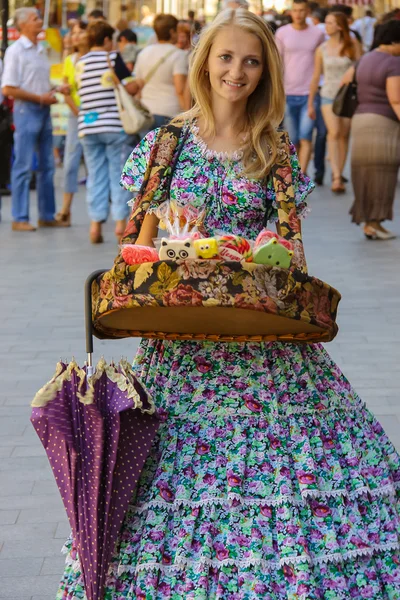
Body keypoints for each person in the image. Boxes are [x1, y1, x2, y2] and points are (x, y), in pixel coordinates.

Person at [57, 9, 400, 599]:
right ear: (204, 60)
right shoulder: (165, 145)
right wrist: (173, 244)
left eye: (250, 60)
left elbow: (291, 255)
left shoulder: (275, 150)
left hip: (262, 347)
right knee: (165, 488)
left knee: (292, 487)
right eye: (225, 57)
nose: (236, 71)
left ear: (264, 69)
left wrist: (258, 252)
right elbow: (136, 253)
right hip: (180, 348)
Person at [1, 8, 67, 231]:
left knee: (47, 165)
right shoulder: (16, 51)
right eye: (35, 18)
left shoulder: (40, 49)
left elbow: (35, 82)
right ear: (22, 24)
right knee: (23, 164)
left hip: (42, 109)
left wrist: (54, 89)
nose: (40, 21)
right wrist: (40, 97)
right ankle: (20, 217)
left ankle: (46, 214)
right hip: (26, 111)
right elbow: (9, 88)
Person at [77, 20, 141, 243]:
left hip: (88, 126)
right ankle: (120, 225)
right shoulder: (113, 58)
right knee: (118, 174)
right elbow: (130, 86)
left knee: (95, 175)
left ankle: (95, 226)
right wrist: (138, 83)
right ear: (106, 40)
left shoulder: (80, 62)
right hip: (114, 126)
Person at [346, 19, 400, 240]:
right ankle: (374, 223)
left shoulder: (364, 59)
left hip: (360, 121)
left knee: (364, 174)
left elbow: (344, 82)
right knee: (382, 176)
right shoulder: (393, 63)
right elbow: (396, 99)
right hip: (383, 125)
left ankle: (370, 223)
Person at [308, 12, 360, 194]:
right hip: (328, 95)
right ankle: (337, 176)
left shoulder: (352, 45)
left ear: (339, 26)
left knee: (344, 135)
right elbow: (316, 77)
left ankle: (339, 172)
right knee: (334, 132)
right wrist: (310, 102)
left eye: (330, 23)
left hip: (347, 96)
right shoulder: (321, 49)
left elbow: (361, 66)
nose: (326, 26)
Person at [275, 0, 325, 173]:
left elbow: (321, 62)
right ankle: (294, 174)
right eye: (295, 10)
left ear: (308, 12)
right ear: (291, 12)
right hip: (287, 92)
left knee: (306, 136)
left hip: (309, 93)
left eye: (302, 10)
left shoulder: (317, 34)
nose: (298, 14)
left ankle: (302, 175)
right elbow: (277, 63)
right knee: (293, 139)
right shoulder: (282, 33)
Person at [55, 20, 89, 226]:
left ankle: (103, 216)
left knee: (97, 166)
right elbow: (65, 89)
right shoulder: (70, 60)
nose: (76, 36)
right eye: (73, 33)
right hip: (77, 115)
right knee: (70, 164)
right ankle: (65, 209)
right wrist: (77, 112)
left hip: (97, 116)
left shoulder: (99, 57)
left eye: (80, 32)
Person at [134, 14, 188, 129]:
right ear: (172, 31)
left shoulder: (144, 53)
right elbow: (180, 89)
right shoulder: (178, 55)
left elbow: (138, 83)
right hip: (170, 112)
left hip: (146, 112)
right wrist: (188, 115)